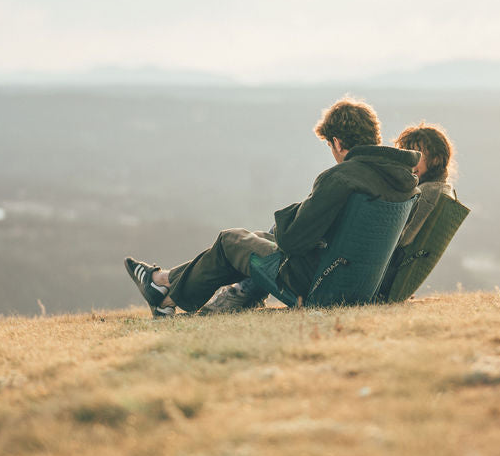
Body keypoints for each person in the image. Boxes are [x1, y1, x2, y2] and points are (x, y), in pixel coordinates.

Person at [125, 97, 420, 316]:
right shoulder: (402, 179)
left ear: (338, 142)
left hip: (317, 284)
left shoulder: (342, 177)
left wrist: (293, 214)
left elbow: (291, 242)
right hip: (355, 282)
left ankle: (165, 295)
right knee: (257, 239)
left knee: (231, 240)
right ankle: (162, 283)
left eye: (330, 147)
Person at [377, 122, 457, 298]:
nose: (409, 162)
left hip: (383, 279)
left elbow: (402, 240)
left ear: (436, 159)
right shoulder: (442, 189)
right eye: (406, 154)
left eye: (416, 154)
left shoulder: (427, 193)